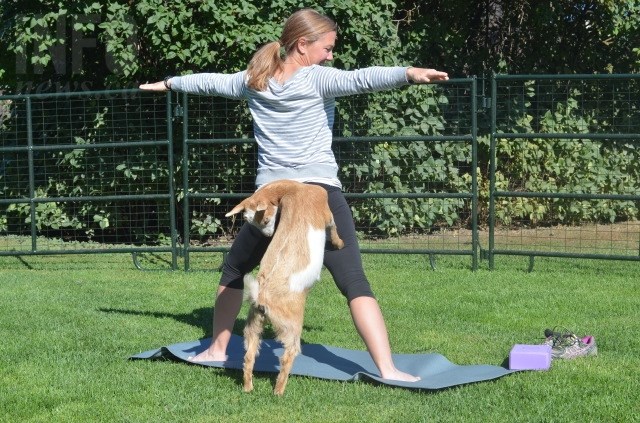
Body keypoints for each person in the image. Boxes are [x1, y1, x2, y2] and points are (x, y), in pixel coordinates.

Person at [140, 8, 448, 382]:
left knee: (235, 268)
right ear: (303, 45)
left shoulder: (254, 79)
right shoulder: (316, 80)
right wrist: (408, 74)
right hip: (318, 195)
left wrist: (171, 82)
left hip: (271, 200)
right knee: (354, 282)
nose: (331, 55)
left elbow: (210, 82)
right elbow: (363, 79)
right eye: (328, 48)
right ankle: (387, 368)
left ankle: (217, 349)